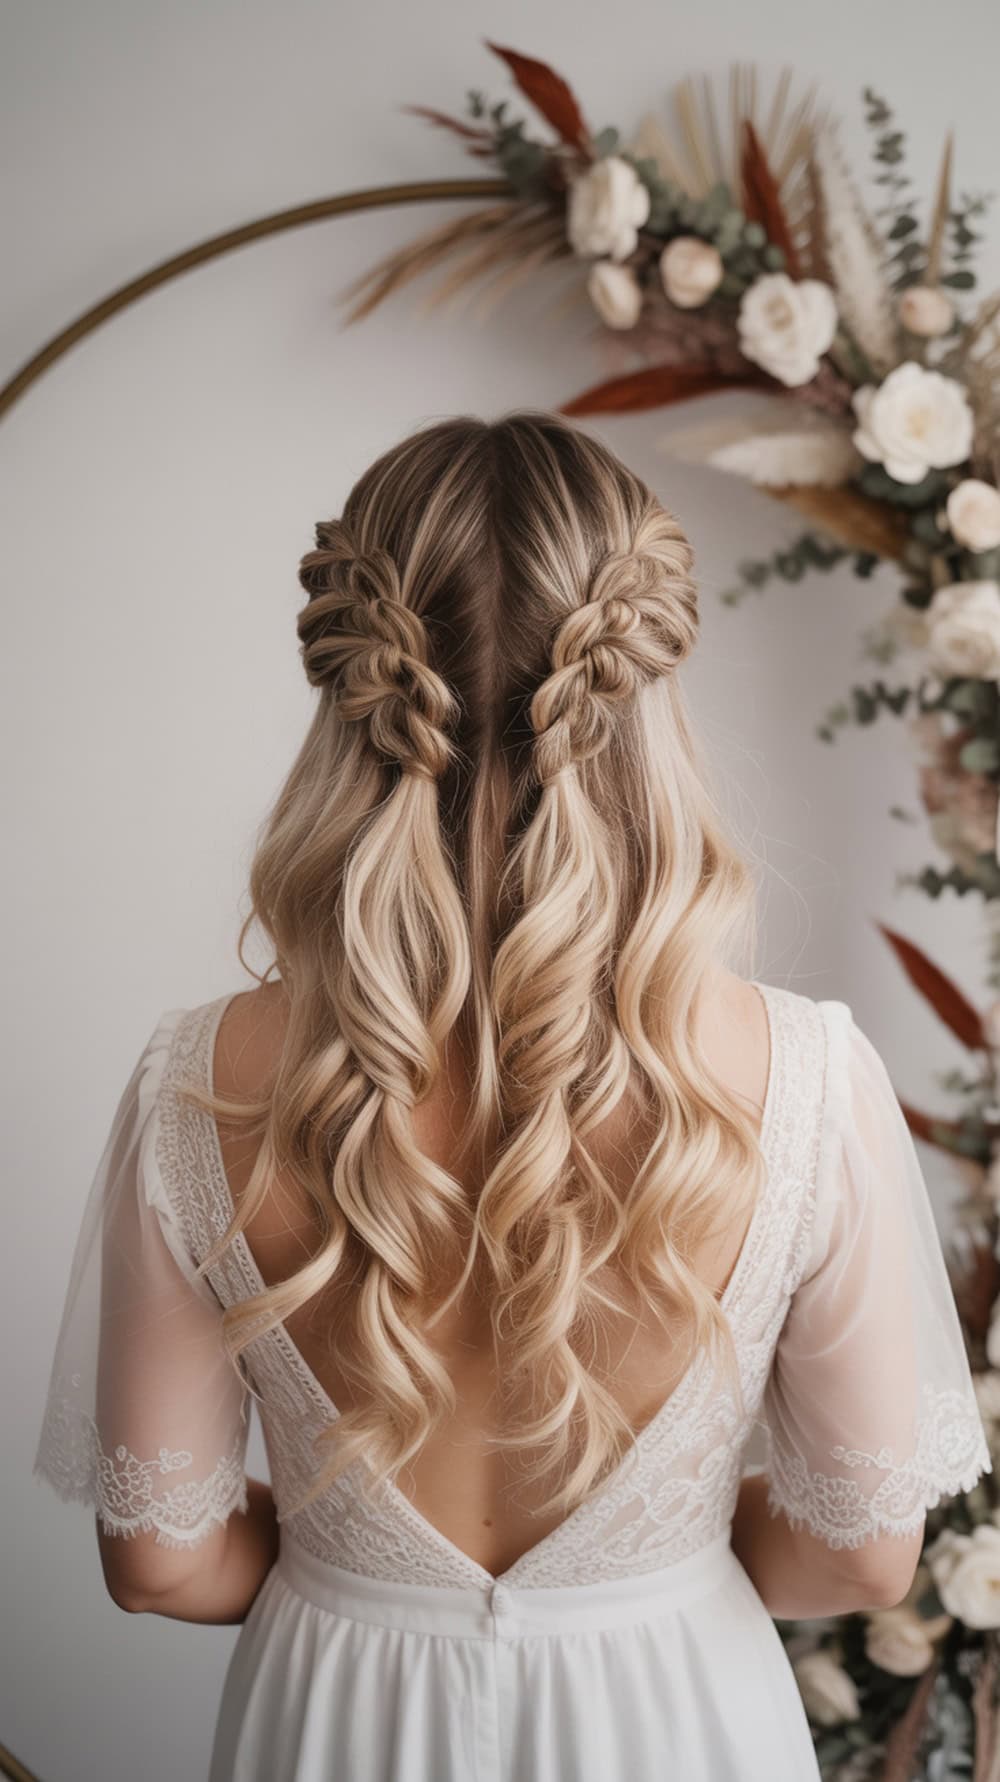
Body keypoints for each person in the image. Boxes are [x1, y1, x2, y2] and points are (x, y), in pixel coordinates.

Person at [34, 411, 992, 1781]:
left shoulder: (198, 1084)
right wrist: (653, 1568)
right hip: (677, 1716)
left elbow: (164, 1561)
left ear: (356, 692)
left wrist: (348, 1570)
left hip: (334, 1722)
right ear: (642, 693)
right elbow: (860, 1546)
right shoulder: (808, 1081)